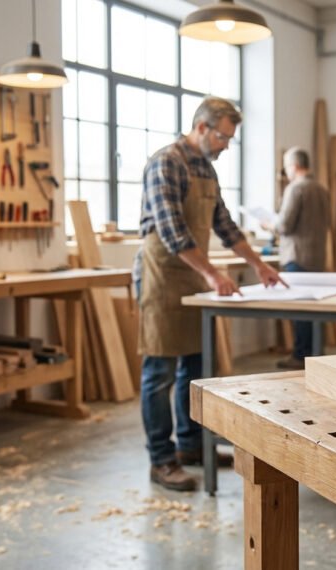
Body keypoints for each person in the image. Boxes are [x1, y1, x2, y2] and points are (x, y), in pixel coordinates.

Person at [134, 96, 286, 491]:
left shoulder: (205, 168)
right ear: (201, 128)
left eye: (230, 139)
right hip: (162, 276)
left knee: (194, 367)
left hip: (191, 276)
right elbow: (171, 232)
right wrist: (213, 273)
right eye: (222, 137)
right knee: (160, 373)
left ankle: (191, 446)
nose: (225, 145)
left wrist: (259, 264)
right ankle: (161, 460)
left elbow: (225, 225)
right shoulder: (165, 162)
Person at [262, 147, 331, 369]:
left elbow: (284, 225)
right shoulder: (321, 189)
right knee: (313, 309)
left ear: (294, 165)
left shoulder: (295, 189)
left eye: (286, 166)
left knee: (300, 309)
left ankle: (300, 356)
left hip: (297, 256)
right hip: (317, 256)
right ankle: (314, 355)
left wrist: (268, 225)